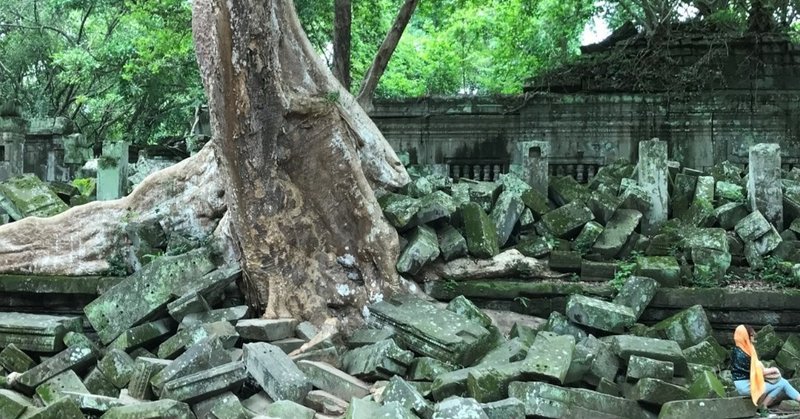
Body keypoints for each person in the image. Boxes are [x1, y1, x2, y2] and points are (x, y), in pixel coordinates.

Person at [731, 324, 800, 407]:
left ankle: (763, 407)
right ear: (745, 336)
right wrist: (773, 370)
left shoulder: (738, 350)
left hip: (742, 383)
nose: (753, 338)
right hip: (746, 386)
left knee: (781, 383)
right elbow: (757, 372)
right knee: (783, 383)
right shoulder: (745, 354)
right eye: (751, 335)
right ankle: (763, 407)